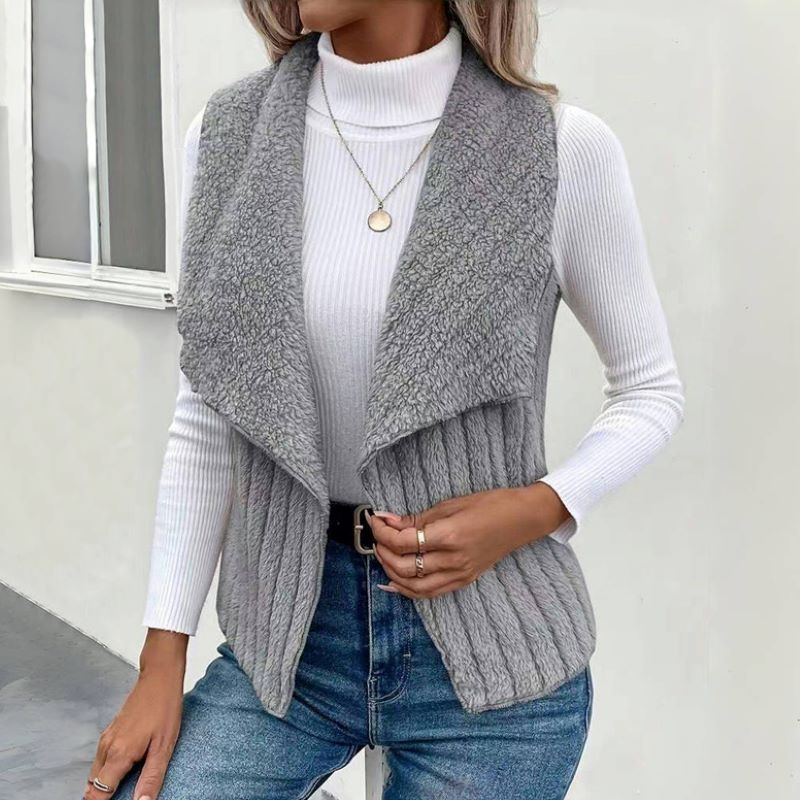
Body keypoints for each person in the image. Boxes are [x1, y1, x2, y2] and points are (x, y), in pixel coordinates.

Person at [84, 1, 685, 798]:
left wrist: (533, 509)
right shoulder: (228, 137)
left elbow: (649, 391)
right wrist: (162, 659)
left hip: (494, 663)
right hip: (287, 646)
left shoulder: (558, 148)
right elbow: (207, 412)